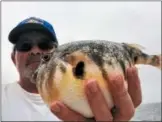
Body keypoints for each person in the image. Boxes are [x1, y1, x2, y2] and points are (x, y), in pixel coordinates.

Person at [2, 17, 142, 121]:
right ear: (13, 58)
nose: (36, 51)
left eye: (45, 45)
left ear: (60, 54)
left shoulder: (95, 94)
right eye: (24, 45)